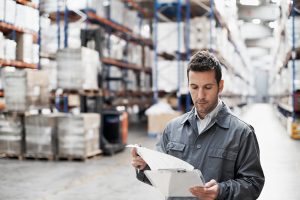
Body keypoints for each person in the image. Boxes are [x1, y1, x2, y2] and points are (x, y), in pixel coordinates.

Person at [131, 50, 265, 200]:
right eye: (194, 87)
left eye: (208, 87)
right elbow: (160, 175)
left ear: (220, 86)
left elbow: (253, 184)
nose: (200, 95)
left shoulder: (242, 133)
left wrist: (221, 191)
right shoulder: (173, 128)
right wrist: (144, 166)